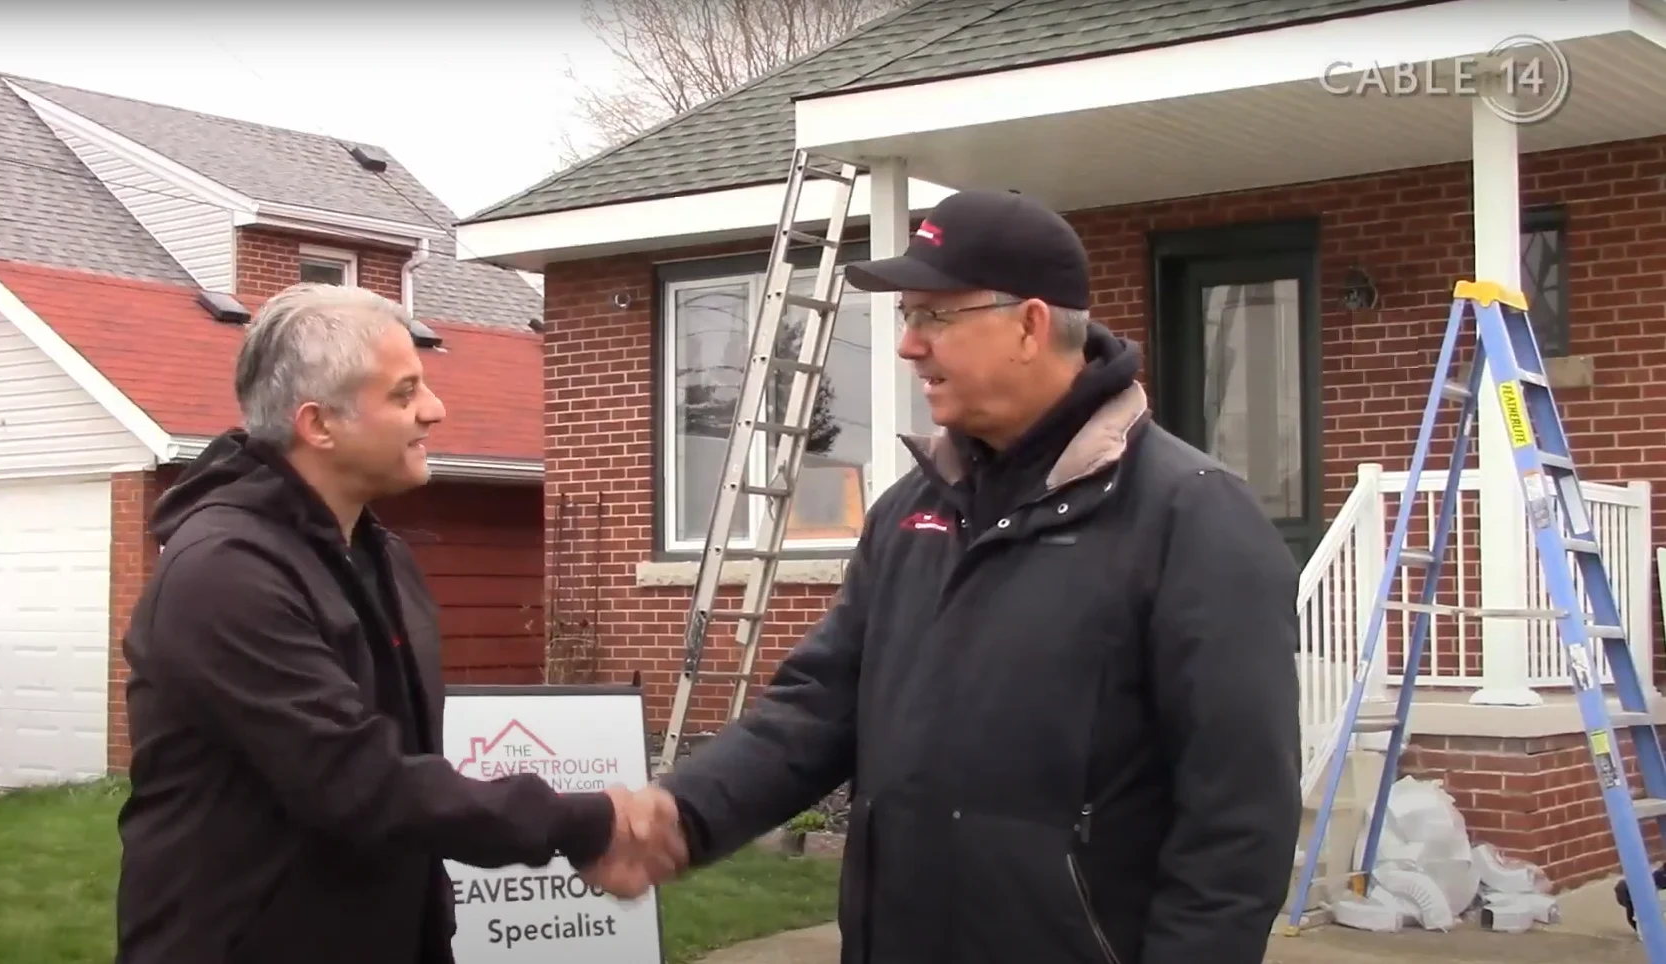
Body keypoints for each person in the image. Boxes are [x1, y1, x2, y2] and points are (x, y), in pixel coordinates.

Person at [608, 190, 1305, 963]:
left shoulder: (1191, 519)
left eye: (934, 316)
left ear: (1031, 326)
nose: (909, 345)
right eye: (907, 317)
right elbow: (818, 708)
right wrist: (686, 811)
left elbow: (1237, 825)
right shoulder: (912, 512)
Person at [112, 283, 680, 964]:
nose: (435, 411)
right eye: (404, 394)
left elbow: (411, 775)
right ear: (318, 425)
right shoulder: (224, 575)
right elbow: (358, 783)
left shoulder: (382, 557)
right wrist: (586, 823)